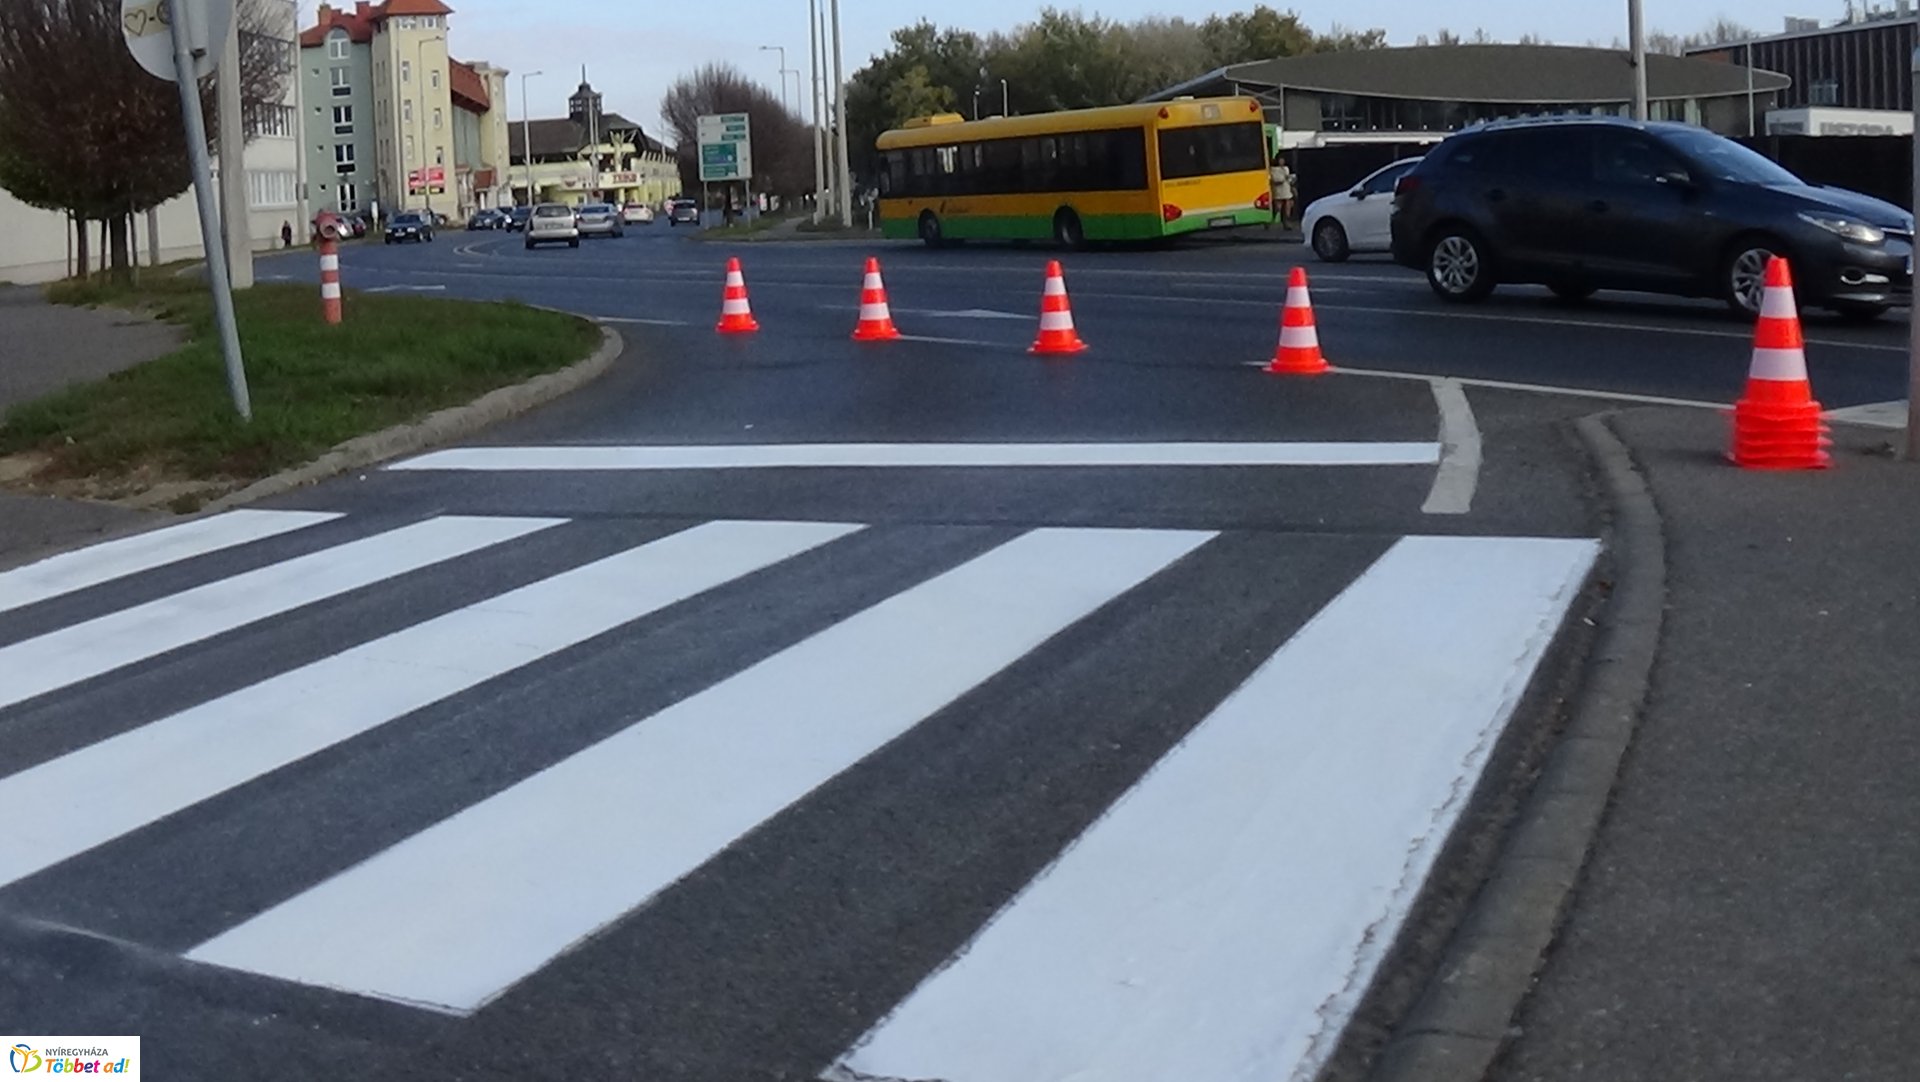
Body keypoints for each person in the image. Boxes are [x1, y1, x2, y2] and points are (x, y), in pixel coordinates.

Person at [1268, 153, 1295, 230]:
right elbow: (1275, 180)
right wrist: (1284, 178)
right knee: (1277, 208)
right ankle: (1270, 222)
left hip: (1286, 190)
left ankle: (1286, 223)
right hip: (1278, 191)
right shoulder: (1273, 169)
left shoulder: (1286, 168)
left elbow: (1289, 180)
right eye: (1280, 160)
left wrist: (1291, 179)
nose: (1282, 161)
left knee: (1287, 208)